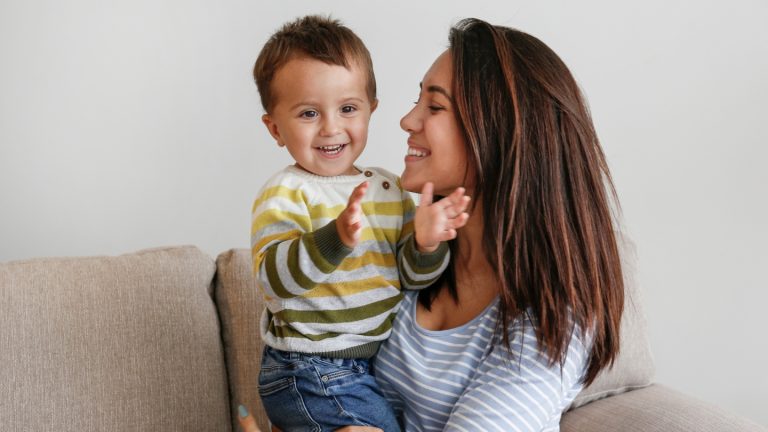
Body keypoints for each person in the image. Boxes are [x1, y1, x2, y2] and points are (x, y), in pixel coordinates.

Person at [242, 16, 624, 432]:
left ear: (495, 132)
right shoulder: (410, 251)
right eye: (416, 100)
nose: (407, 121)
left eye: (434, 106)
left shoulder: (553, 318)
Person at [250, 15, 470, 432]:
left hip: (365, 367)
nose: (331, 127)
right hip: (307, 366)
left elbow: (410, 279)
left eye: (348, 108)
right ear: (275, 128)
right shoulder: (287, 192)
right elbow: (273, 279)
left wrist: (425, 245)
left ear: (371, 109)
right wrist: (334, 238)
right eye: (309, 113)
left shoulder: (388, 188)